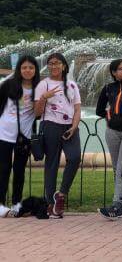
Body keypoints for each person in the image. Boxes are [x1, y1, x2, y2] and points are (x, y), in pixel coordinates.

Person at [34, 53, 82, 218]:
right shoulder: (43, 84)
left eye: (57, 63)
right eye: (50, 63)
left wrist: (74, 127)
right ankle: (50, 204)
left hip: (70, 127)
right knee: (52, 164)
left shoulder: (72, 85)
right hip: (51, 126)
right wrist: (43, 98)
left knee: (75, 157)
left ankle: (61, 194)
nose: (53, 66)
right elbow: (37, 113)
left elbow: (77, 109)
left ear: (64, 65)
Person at [96, 59, 122, 219]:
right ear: (113, 72)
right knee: (116, 168)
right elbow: (99, 110)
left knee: (121, 167)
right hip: (112, 131)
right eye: (121, 69)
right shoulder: (108, 88)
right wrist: (110, 116)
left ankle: (117, 204)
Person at [0, 55, 40, 217]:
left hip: (25, 135)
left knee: (19, 170)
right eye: (24, 67)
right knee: (3, 169)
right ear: (19, 69)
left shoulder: (39, 87)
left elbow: (38, 113)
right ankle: (1, 203)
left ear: (35, 70)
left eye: (31, 67)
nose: (27, 70)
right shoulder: (9, 85)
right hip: (4, 132)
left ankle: (17, 202)